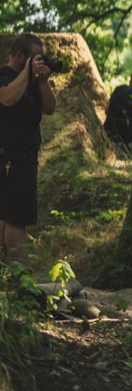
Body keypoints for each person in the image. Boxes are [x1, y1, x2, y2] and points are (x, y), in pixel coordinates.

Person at [0, 33, 57, 265]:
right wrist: (27, 72)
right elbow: (7, 98)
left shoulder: (32, 81)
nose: (40, 62)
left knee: (6, 216)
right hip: (13, 158)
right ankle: (21, 276)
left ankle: (8, 275)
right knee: (17, 219)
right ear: (19, 56)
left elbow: (50, 108)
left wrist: (42, 81)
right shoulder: (5, 75)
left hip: (23, 158)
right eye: (36, 58)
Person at [104, 70, 132, 150]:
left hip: (107, 130)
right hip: (125, 134)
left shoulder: (119, 88)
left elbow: (106, 110)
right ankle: (126, 148)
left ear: (130, 81)